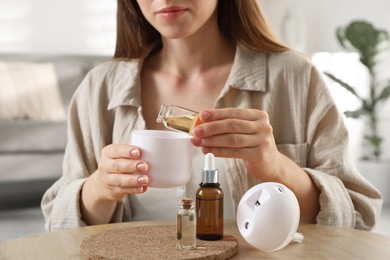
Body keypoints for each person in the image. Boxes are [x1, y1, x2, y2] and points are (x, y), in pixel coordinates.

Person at [41, 0, 382, 231]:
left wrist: (276, 167)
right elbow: (57, 223)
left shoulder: (294, 77)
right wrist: (100, 188)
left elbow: (356, 215)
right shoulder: (98, 89)